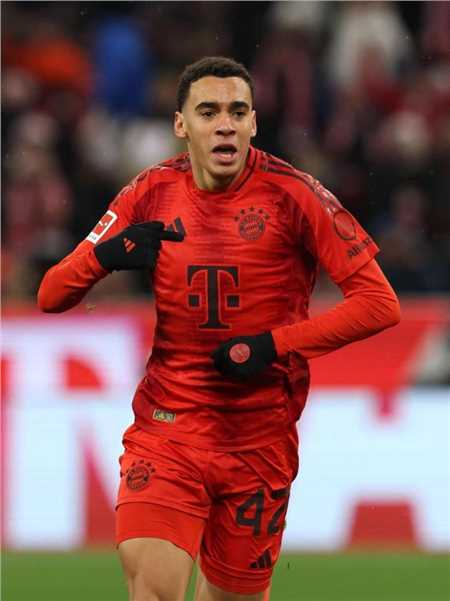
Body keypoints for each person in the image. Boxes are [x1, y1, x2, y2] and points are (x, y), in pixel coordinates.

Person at [37, 56, 401, 601]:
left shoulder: (295, 194)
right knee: (153, 593)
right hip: (168, 430)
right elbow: (50, 295)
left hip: (260, 441)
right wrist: (105, 257)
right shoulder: (150, 191)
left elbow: (379, 304)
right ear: (181, 124)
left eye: (237, 111)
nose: (224, 124)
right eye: (208, 112)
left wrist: (272, 345)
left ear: (254, 122)